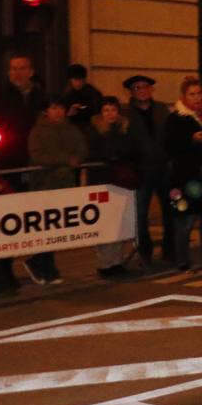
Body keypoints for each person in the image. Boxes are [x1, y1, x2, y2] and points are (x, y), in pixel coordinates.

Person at [0, 53, 47, 294]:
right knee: (5, 221)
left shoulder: (40, 97)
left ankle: (39, 265)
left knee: (32, 220)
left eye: (22, 68)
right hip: (8, 165)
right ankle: (2, 272)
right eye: (13, 68)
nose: (17, 72)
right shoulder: (0, 97)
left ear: (30, 71)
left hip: (35, 165)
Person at [24, 97, 89, 284]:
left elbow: (82, 149)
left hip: (64, 184)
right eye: (53, 108)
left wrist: (76, 158)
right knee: (45, 227)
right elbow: (37, 155)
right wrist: (65, 159)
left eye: (60, 108)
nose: (58, 112)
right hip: (43, 185)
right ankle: (41, 263)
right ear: (46, 111)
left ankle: (45, 264)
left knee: (57, 229)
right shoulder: (38, 131)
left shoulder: (71, 129)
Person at [164, 77, 202, 271]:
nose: (196, 98)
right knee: (184, 218)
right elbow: (170, 146)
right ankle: (182, 259)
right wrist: (191, 140)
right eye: (192, 94)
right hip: (185, 176)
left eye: (199, 93)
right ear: (184, 96)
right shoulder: (176, 118)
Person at [123, 74, 173, 268]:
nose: (142, 91)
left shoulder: (161, 109)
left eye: (145, 87)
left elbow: (170, 135)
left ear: (151, 89)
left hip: (163, 168)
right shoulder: (126, 113)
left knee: (170, 210)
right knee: (141, 214)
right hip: (141, 170)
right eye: (137, 88)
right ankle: (145, 251)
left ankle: (170, 250)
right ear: (131, 92)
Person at [86, 96, 137, 277]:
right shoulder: (95, 130)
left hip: (121, 181)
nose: (110, 114)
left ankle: (117, 261)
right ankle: (105, 263)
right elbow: (95, 153)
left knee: (119, 224)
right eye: (106, 110)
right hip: (102, 182)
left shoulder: (124, 128)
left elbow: (130, 149)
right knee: (105, 225)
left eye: (113, 110)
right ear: (101, 113)